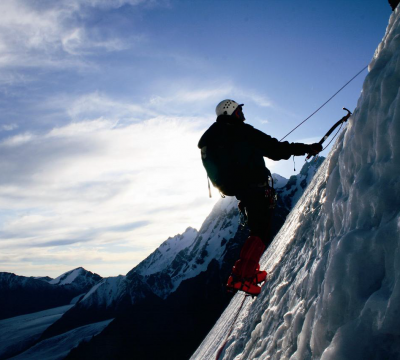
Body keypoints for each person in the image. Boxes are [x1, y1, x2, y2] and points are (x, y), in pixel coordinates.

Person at [198, 99, 322, 295]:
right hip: (255, 187)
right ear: (231, 112)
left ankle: (244, 273)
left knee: (257, 230)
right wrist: (306, 148)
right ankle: (243, 277)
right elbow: (275, 149)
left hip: (241, 189)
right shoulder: (241, 131)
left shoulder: (215, 136)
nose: (241, 113)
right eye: (238, 110)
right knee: (261, 232)